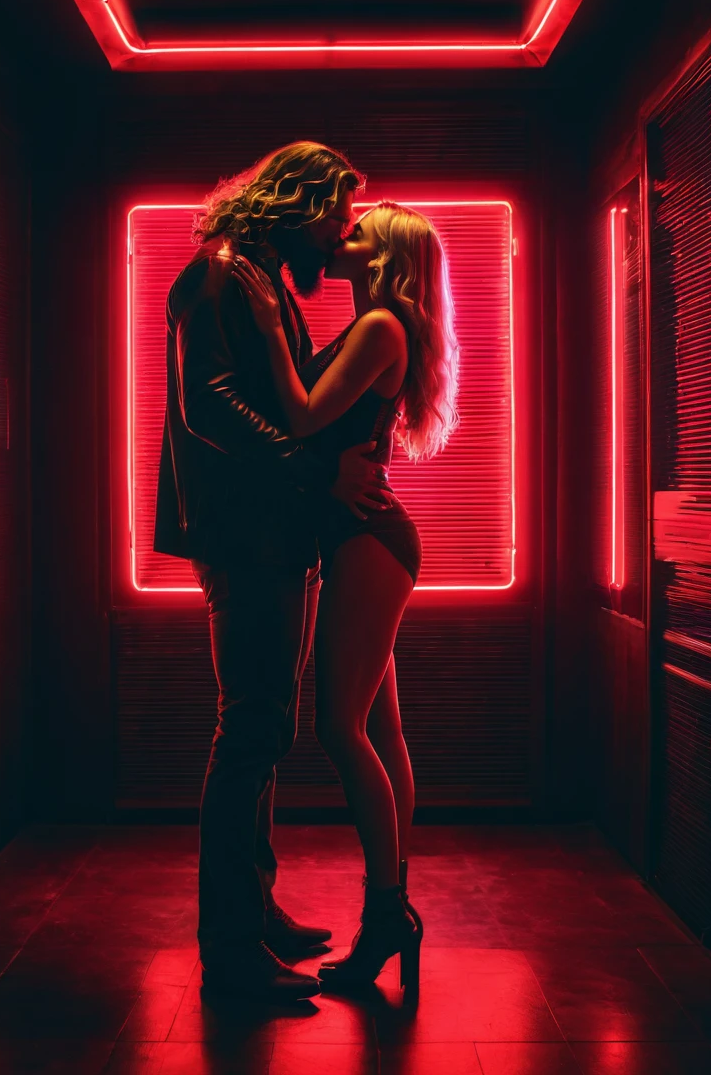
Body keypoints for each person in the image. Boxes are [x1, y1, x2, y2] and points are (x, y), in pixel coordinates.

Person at [154, 142, 393, 1002]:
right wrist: (314, 471)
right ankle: (230, 946)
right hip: (245, 535)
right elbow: (209, 403)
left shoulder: (250, 276)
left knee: (261, 731)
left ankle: (254, 915)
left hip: (260, 533)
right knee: (252, 732)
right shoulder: (220, 276)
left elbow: (271, 390)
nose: (341, 234)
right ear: (296, 203)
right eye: (334, 215)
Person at [234, 201, 459, 999]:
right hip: (369, 542)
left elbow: (299, 416)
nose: (343, 234)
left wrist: (266, 327)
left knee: (339, 727)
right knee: (383, 731)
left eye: (358, 230)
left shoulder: (379, 328)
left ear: (383, 254)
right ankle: (390, 913)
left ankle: (388, 914)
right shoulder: (382, 324)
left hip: (368, 543)